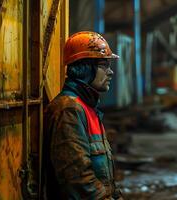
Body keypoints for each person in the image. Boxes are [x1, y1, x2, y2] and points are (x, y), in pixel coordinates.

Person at [43, 31, 123, 200]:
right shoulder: (69, 110)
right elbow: (79, 180)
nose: (110, 72)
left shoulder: (88, 108)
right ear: (85, 68)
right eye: (104, 65)